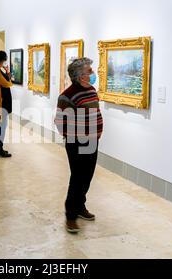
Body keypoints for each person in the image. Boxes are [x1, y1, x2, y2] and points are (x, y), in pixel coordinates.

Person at [54, 58, 103, 233]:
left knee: (88, 176)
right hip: (77, 143)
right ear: (80, 75)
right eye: (89, 71)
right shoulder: (67, 96)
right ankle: (71, 215)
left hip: (92, 141)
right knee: (77, 178)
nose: (93, 73)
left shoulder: (91, 90)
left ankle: (80, 206)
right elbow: (60, 123)